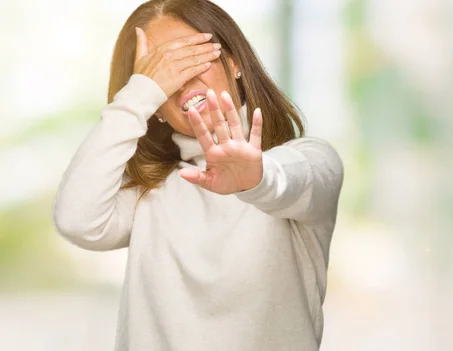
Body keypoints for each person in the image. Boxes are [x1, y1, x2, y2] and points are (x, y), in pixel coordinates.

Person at [51, 0, 343, 350]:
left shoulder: (307, 159)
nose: (180, 77)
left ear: (234, 62)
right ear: (153, 108)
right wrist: (139, 95)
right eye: (159, 71)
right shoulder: (149, 195)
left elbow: (293, 182)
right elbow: (75, 219)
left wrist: (256, 179)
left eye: (190, 55)